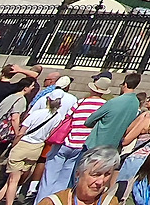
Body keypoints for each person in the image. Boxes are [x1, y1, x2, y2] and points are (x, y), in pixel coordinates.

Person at [38, 74, 109, 203]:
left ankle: (42, 201)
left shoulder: (81, 102)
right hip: (82, 146)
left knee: (49, 176)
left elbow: (68, 117)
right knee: (64, 179)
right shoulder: (105, 106)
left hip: (66, 142)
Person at [0, 90, 68, 205]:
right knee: (13, 180)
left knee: (13, 180)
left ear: (48, 100)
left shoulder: (36, 113)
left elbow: (21, 133)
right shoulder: (58, 117)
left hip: (23, 145)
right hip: (37, 148)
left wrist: (14, 145)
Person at [83, 73, 144, 156]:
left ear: (125, 84)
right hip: (113, 147)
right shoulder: (135, 103)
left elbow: (89, 121)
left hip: (97, 143)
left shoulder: (114, 101)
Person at [41, 146, 121, 205]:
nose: (100, 182)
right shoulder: (53, 202)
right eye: (95, 174)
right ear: (78, 174)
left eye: (107, 174)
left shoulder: (110, 202)